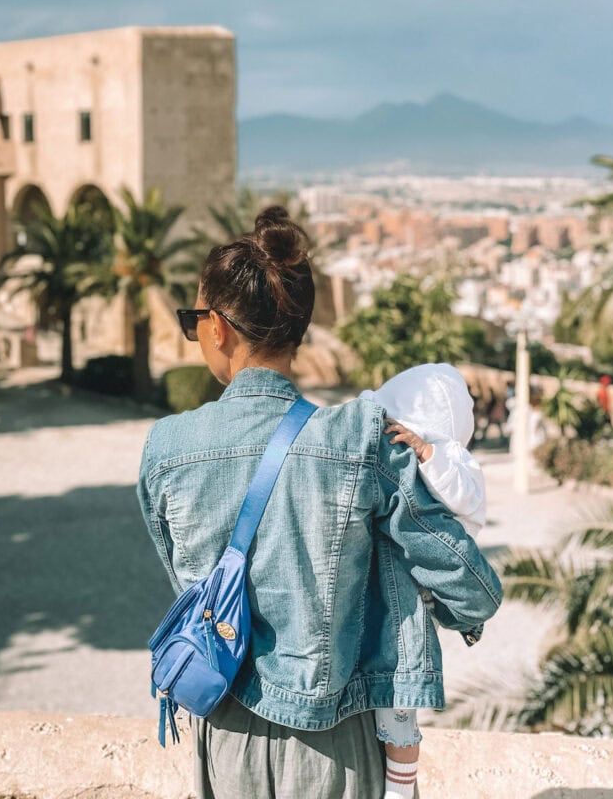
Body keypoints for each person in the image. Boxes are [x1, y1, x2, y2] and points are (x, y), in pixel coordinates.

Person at [138, 207, 502, 799]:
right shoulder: (359, 439)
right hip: (337, 742)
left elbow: (187, 582)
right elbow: (471, 587)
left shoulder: (166, 449)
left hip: (223, 733)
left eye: (193, 318)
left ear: (218, 329)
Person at [359, 363, 486, 799]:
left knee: (399, 694)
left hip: (415, 591)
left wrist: (427, 453)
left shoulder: (451, 461)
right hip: (391, 585)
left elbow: (465, 500)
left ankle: (400, 787)